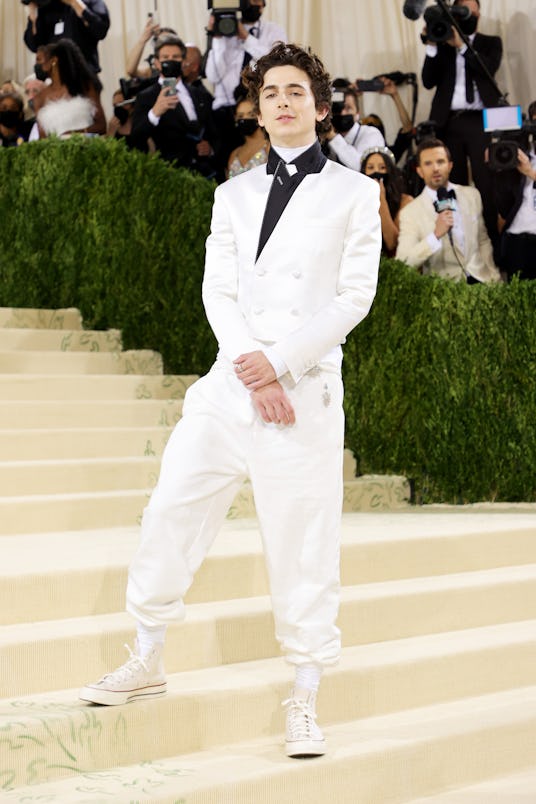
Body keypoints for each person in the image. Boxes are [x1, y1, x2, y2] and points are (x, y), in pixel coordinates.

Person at [80, 41, 381, 761]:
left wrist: (280, 365)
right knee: (171, 509)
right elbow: (217, 289)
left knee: (303, 544)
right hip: (229, 388)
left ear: (320, 104)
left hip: (303, 395)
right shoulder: (233, 192)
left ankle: (304, 694)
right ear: (257, 105)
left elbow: (354, 298)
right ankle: (146, 653)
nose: (282, 102)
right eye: (271, 92)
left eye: (296, 92)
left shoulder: (353, 192)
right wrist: (252, 369)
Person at [421, 0, 502, 246]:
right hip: (449, 122)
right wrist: (433, 45)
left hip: (480, 121)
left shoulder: (490, 42)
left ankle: (491, 246)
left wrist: (462, 45)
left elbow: (488, 69)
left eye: (470, 9)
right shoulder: (443, 45)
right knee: (451, 184)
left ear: (478, 12)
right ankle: (454, 243)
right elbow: (427, 81)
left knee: (485, 184)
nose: (466, 14)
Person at [396, 137, 500, 283]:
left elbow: (482, 240)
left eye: (440, 161)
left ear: (450, 165)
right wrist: (435, 236)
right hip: (444, 291)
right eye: (428, 163)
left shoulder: (472, 195)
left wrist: (494, 276)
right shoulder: (410, 213)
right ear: (419, 171)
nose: (435, 168)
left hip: (482, 282)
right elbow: (403, 262)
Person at [205, 0, 286, 173]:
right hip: (225, 111)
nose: (253, 4)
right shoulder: (224, 30)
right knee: (224, 165)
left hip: (258, 108)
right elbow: (213, 75)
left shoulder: (274, 30)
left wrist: (246, 38)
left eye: (258, 1)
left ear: (264, 4)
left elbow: (277, 64)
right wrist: (218, 38)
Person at [130, 35, 218, 177]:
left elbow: (215, 132)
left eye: (175, 57)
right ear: (157, 63)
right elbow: (136, 139)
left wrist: (211, 148)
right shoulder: (146, 97)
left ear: (183, 61)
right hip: (170, 177)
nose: (170, 61)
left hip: (206, 174)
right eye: (165, 57)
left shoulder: (200, 94)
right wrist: (155, 113)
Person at [494, 102, 536, 281]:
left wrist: (530, 173)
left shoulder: (526, 165)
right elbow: (503, 206)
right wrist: (500, 165)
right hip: (516, 239)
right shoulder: (518, 155)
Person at [32, 39, 106, 137]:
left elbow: (101, 126)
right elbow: (43, 138)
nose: (37, 65)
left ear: (54, 60)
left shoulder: (84, 86)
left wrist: (73, 134)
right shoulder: (39, 98)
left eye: (39, 59)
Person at [23, 0, 110, 75]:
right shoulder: (46, 8)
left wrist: (75, 3)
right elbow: (34, 45)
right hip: (54, 76)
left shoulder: (91, 2)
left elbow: (100, 30)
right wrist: (33, 16)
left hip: (83, 73)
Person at [361, 146, 413, 255]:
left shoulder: (405, 201)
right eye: (370, 167)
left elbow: (392, 243)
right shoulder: (358, 200)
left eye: (382, 167)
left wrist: (381, 198)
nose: (376, 172)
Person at [324, 85, 385, 170]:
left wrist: (333, 137)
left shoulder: (371, 134)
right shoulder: (325, 135)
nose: (342, 113)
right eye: (337, 109)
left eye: (348, 108)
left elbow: (361, 166)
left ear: (357, 113)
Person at [227, 92, 268, 178]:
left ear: (260, 116)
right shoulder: (234, 154)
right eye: (240, 116)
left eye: (251, 114)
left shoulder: (271, 147)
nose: (245, 119)